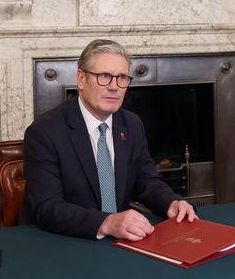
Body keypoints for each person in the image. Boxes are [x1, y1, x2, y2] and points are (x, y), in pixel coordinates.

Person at [20, 39, 196, 240]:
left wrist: (171, 203)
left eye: (121, 77)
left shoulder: (131, 124)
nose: (114, 87)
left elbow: (146, 181)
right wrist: (107, 222)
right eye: (104, 76)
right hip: (63, 242)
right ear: (81, 79)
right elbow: (47, 208)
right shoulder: (44, 132)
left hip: (119, 241)